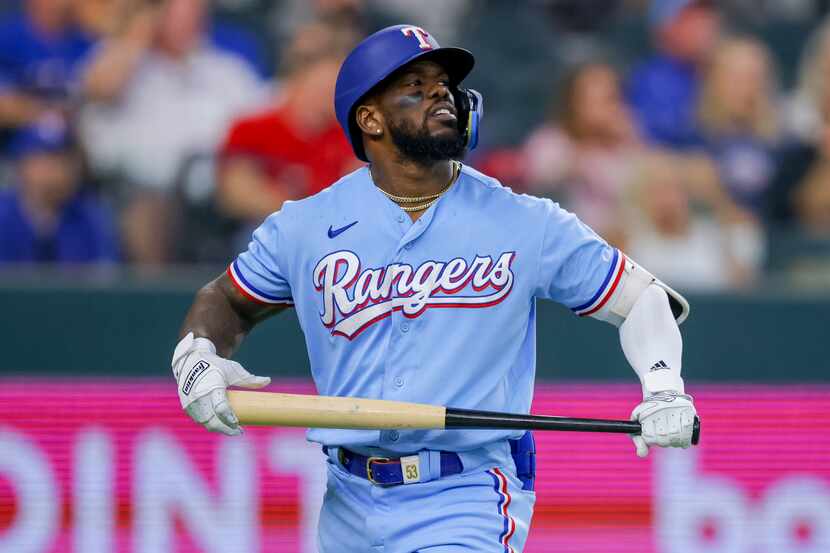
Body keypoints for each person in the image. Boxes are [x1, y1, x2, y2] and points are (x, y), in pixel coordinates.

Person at [171, 25, 698, 552]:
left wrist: (663, 384)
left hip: (466, 492)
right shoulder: (306, 225)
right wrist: (197, 354)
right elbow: (226, 301)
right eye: (415, 86)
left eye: (444, 84)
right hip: (346, 499)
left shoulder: (524, 220)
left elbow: (642, 298)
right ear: (370, 118)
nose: (441, 93)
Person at [79, 0, 265, 264]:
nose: (189, 21)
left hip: (215, 200)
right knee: (150, 209)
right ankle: (155, 299)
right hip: (135, 194)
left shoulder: (226, 70)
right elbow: (99, 89)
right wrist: (139, 34)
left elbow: (265, 125)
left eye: (196, 12)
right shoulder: (121, 61)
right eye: (177, 12)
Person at [216, 22, 358, 226]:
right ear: (297, 81)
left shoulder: (349, 136)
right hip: (268, 231)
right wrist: (298, 214)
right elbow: (236, 192)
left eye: (333, 89)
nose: (326, 97)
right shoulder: (252, 129)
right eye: (320, 88)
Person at [522, 62, 642, 246]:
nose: (606, 109)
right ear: (573, 102)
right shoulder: (550, 141)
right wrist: (582, 154)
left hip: (626, 251)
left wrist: (627, 141)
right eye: (594, 100)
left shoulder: (627, 144)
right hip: (564, 246)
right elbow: (540, 180)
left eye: (610, 99)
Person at [0, 117, 119, 264]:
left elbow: (104, 279)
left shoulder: (91, 217)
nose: (56, 170)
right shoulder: (3, 214)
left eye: (63, 159)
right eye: (44, 158)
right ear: (21, 163)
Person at [697, 37, 780, 215]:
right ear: (713, 81)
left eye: (754, 78)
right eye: (735, 78)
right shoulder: (692, 138)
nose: (746, 88)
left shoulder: (785, 142)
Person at [625, 0, 721, 149]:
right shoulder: (649, 83)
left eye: (705, 15)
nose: (703, 25)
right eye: (690, 18)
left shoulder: (726, 74)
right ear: (665, 27)